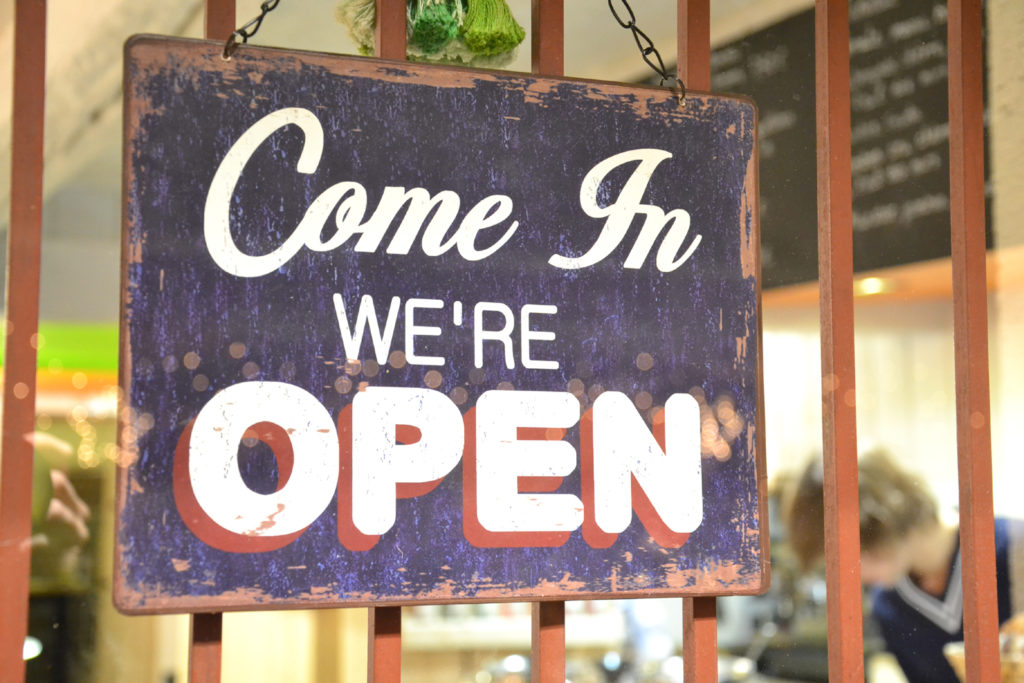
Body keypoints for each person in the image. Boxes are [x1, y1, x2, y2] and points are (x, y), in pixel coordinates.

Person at [785, 451, 1024, 683]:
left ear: (873, 527)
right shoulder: (889, 606)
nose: (847, 576)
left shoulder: (1016, 546)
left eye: (841, 559)